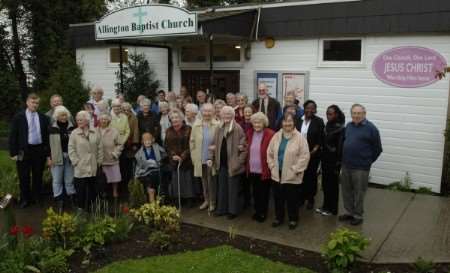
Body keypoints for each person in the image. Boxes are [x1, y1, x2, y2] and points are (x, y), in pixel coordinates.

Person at [339, 104, 382, 226]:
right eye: (354, 113)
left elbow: (378, 149)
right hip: (346, 165)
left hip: (361, 168)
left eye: (359, 113)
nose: (356, 116)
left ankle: (358, 215)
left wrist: (367, 161)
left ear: (364, 114)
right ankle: (349, 212)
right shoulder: (348, 126)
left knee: (359, 192)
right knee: (346, 190)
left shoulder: (371, 129)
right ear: (351, 114)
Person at [267, 112, 310, 229]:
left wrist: (295, 170)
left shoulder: (300, 138)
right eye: (285, 121)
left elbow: (305, 156)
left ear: (294, 122)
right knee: (278, 198)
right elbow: (269, 153)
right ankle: (278, 218)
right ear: (281, 123)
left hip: (292, 175)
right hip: (277, 173)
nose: (287, 124)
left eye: (290, 121)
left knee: (292, 199)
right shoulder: (276, 136)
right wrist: (272, 166)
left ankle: (293, 219)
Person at [9, 93, 50, 208]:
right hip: (23, 151)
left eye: (37, 103)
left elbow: (46, 137)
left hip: (39, 150)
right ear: (27, 102)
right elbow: (13, 135)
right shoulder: (19, 117)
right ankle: (25, 199)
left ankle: (36, 197)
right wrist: (13, 153)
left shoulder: (43, 118)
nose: (35, 105)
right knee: (24, 176)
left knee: (38, 175)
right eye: (33, 102)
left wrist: (47, 154)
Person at [208, 106, 247, 219]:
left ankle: (232, 211)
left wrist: (238, 163)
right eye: (224, 114)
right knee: (222, 188)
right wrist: (211, 158)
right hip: (221, 163)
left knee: (233, 189)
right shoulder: (219, 128)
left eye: (229, 114)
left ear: (233, 116)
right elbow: (212, 145)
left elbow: (244, 148)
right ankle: (221, 209)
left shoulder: (238, 128)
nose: (226, 117)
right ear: (221, 115)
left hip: (233, 165)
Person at [68, 111, 103, 211]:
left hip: (93, 165)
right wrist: (76, 162)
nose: (79, 121)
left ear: (87, 120)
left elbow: (100, 147)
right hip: (80, 166)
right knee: (80, 189)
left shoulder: (95, 131)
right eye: (78, 120)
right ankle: (80, 208)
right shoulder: (74, 133)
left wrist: (99, 161)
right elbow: (71, 149)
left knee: (93, 189)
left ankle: (92, 207)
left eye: (81, 120)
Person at [190, 103, 220, 211]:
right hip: (200, 158)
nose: (207, 113)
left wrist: (215, 149)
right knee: (204, 181)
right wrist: (194, 158)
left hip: (211, 159)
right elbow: (192, 143)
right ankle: (206, 200)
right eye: (205, 111)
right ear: (201, 112)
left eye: (209, 111)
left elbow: (220, 143)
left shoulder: (217, 125)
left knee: (212, 181)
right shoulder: (196, 125)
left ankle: (213, 202)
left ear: (213, 112)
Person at [316, 105, 345, 216]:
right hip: (325, 159)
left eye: (331, 114)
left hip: (334, 161)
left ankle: (333, 209)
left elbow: (340, 147)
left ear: (336, 114)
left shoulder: (341, 128)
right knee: (325, 184)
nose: (328, 116)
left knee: (333, 186)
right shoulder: (327, 125)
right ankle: (325, 206)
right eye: (327, 113)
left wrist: (338, 164)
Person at [246, 112, 274, 223]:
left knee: (264, 193)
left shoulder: (270, 134)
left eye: (259, 122)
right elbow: (246, 146)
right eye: (255, 122)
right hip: (252, 168)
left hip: (264, 169)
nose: (257, 125)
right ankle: (257, 211)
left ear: (264, 123)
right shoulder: (249, 133)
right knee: (255, 192)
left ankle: (263, 213)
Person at [48, 106, 76, 212]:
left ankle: (71, 198)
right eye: (61, 115)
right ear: (56, 116)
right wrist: (49, 158)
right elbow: (47, 145)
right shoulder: (51, 128)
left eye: (65, 115)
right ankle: (59, 201)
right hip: (56, 157)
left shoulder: (72, 128)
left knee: (69, 179)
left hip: (70, 157)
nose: (63, 117)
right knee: (57, 180)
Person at [298, 100, 325, 210]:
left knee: (311, 177)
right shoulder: (298, 120)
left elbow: (320, 140)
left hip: (312, 154)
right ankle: (301, 198)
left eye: (312, 108)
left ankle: (310, 199)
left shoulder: (319, 121)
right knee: (300, 176)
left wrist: (311, 153)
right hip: (298, 154)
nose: (310, 110)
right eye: (307, 107)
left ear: (315, 110)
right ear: (304, 108)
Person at [165, 109, 195, 205]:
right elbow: (167, 146)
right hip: (174, 160)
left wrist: (183, 156)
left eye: (177, 117)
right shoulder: (168, 131)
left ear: (181, 118)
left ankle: (189, 198)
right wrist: (173, 155)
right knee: (176, 180)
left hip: (187, 159)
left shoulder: (188, 129)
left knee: (187, 180)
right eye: (172, 118)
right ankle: (179, 199)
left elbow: (191, 145)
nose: (175, 119)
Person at [98, 113, 123, 204]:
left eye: (105, 119)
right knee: (103, 179)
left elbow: (120, 144)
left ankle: (115, 192)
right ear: (99, 120)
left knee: (115, 178)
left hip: (112, 158)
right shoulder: (96, 130)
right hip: (101, 159)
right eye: (102, 119)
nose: (103, 121)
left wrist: (115, 153)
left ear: (108, 120)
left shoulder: (114, 131)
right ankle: (104, 194)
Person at [135, 132, 167, 203]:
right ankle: (152, 200)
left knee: (158, 176)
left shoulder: (156, 147)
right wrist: (148, 163)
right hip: (145, 172)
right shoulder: (139, 153)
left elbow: (164, 154)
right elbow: (140, 165)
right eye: (145, 141)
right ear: (142, 142)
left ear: (153, 140)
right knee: (150, 178)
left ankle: (156, 199)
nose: (147, 142)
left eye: (149, 140)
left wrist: (158, 161)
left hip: (156, 169)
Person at [121, 102, 140, 198]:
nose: (126, 111)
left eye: (128, 110)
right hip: (120, 145)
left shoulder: (134, 118)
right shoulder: (119, 117)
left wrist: (135, 143)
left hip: (130, 144)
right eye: (124, 110)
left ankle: (131, 187)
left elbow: (136, 130)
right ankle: (123, 187)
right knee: (122, 166)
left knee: (131, 167)